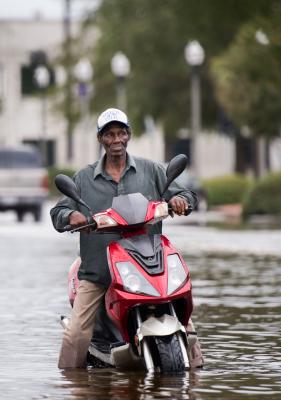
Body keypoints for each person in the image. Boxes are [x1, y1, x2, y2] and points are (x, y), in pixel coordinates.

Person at [50, 107, 201, 369]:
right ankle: (73, 385)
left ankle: (197, 372)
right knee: (76, 334)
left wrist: (180, 200)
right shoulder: (84, 178)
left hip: (149, 267)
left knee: (188, 325)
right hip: (99, 271)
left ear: (129, 135)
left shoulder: (151, 171)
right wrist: (70, 216)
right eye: (110, 135)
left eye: (121, 133)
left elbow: (187, 196)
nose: (116, 140)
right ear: (101, 139)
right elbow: (59, 211)